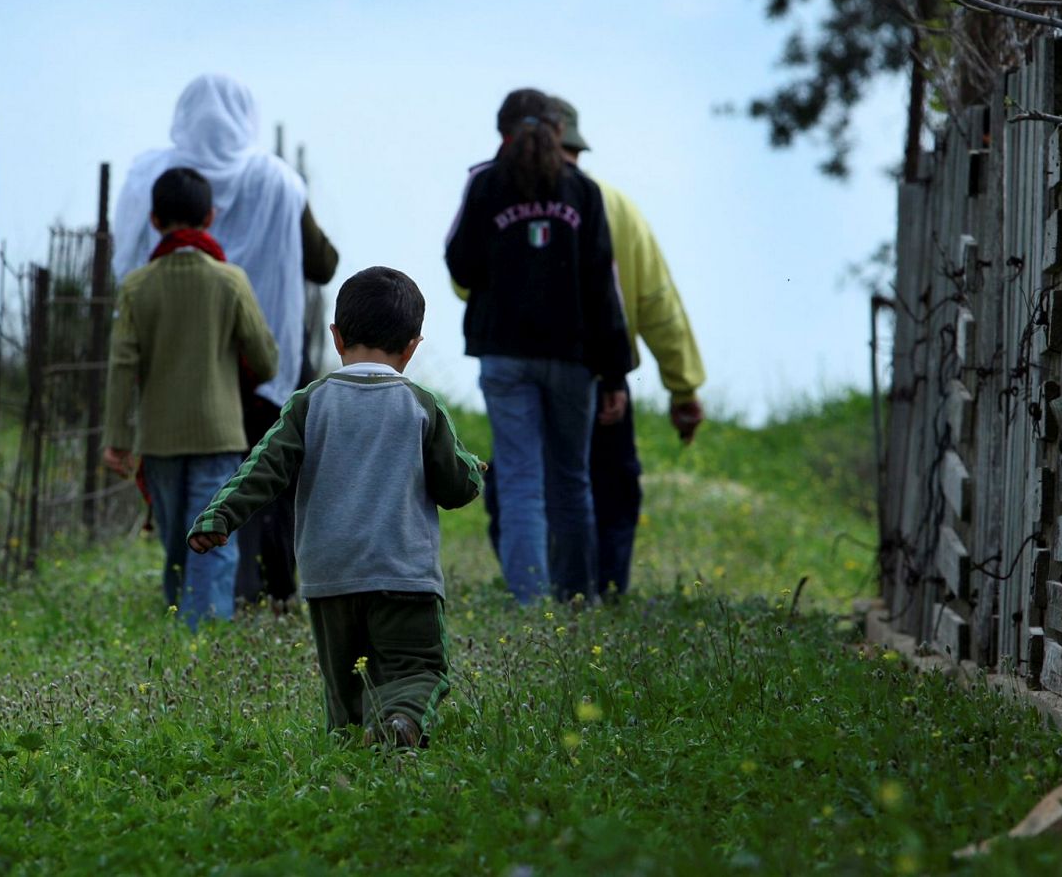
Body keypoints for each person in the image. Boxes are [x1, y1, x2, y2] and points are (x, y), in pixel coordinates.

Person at [187, 267, 484, 747]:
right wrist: (473, 468)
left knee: (344, 686)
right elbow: (455, 486)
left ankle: (350, 750)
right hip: (403, 572)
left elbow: (262, 468)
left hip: (331, 575)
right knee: (419, 668)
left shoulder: (310, 403)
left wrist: (220, 516)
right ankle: (402, 720)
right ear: (412, 346)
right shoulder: (421, 405)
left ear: (337, 335)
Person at [112, 74, 338, 607]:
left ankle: (195, 592)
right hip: (263, 358)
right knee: (270, 470)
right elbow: (323, 264)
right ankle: (268, 586)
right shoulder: (278, 183)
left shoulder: (151, 174)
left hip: (178, 359)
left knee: (189, 482)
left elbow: (123, 262)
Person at [480, 97, 706, 597]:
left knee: (519, 484)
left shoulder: (502, 192)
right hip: (598, 371)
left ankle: (532, 595)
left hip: (516, 360)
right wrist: (682, 388)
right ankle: (596, 595)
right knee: (602, 487)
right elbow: (655, 300)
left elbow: (466, 280)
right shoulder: (612, 202)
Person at [444, 88, 631, 605]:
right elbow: (602, 289)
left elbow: (460, 263)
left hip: (503, 354)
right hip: (574, 357)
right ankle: (577, 599)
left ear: (502, 133)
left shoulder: (485, 185)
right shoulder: (583, 193)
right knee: (572, 481)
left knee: (522, 479)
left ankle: (530, 605)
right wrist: (615, 374)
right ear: (558, 133)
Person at [103, 167, 278, 630]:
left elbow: (123, 367)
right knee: (213, 541)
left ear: (155, 220)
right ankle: (203, 639)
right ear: (211, 216)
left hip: (158, 440)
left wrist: (118, 438)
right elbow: (265, 362)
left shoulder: (137, 286)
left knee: (178, 543)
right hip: (219, 436)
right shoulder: (230, 281)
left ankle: (183, 626)